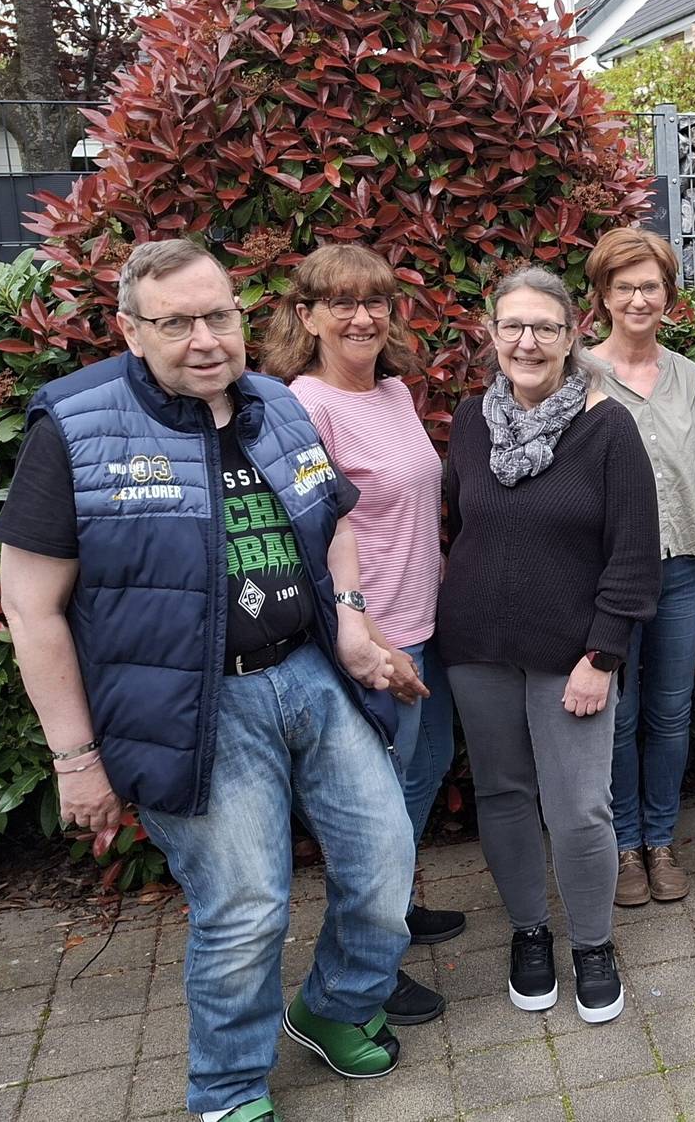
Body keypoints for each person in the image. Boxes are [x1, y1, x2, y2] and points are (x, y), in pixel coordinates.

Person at [0, 239, 415, 1122]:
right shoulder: (75, 425)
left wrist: (351, 622)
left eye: (218, 315)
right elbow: (31, 609)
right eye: (176, 322)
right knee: (246, 908)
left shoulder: (277, 405)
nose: (204, 339)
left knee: (385, 863)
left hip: (310, 676)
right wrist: (76, 760)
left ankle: (334, 1008)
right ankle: (228, 1087)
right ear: (130, 330)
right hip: (193, 707)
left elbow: (335, 521)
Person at [439, 267, 658, 1026]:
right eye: (513, 326)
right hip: (477, 647)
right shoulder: (472, 422)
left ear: (572, 337)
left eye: (545, 327)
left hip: (574, 657)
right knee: (503, 795)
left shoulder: (608, 428)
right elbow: (459, 525)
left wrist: (603, 657)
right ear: (491, 334)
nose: (527, 342)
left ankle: (593, 944)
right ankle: (530, 932)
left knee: (579, 810)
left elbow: (634, 555)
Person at [257, 243, 461, 1029]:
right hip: (374, 639)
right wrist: (366, 636)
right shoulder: (305, 408)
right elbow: (309, 539)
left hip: (424, 620)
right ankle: (363, 966)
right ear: (306, 317)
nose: (362, 317)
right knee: (372, 816)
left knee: (424, 771)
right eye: (340, 303)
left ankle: (393, 914)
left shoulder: (395, 392)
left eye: (374, 301)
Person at [580, 228, 695, 908]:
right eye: (624, 286)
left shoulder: (693, 377)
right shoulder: (576, 376)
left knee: (669, 710)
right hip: (606, 574)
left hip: (685, 564)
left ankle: (661, 841)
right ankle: (623, 845)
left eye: (650, 286)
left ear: (668, 295)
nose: (638, 299)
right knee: (616, 714)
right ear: (603, 296)